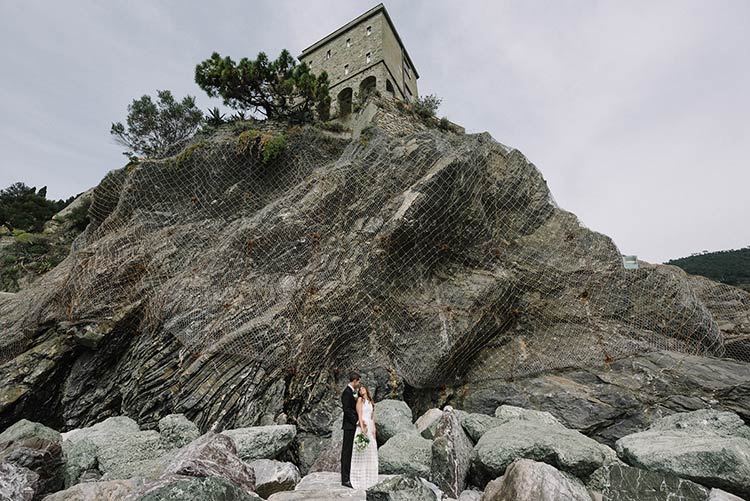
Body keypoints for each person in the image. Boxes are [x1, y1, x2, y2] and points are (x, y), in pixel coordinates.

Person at [350, 385, 378, 489]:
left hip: (370, 426)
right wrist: (362, 428)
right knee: (362, 451)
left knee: (371, 451)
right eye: (360, 389)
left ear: (366, 389)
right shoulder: (360, 400)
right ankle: (359, 477)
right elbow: (360, 415)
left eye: (362, 388)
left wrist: (374, 429)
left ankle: (370, 476)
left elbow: (372, 417)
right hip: (364, 426)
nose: (361, 390)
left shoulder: (370, 401)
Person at [340, 371, 360, 488]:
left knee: (350, 451)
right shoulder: (347, 393)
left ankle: (349, 476)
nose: (359, 383)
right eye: (358, 381)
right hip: (349, 426)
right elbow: (347, 410)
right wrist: (356, 421)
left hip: (352, 426)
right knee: (346, 452)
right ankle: (345, 479)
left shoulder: (352, 392)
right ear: (354, 381)